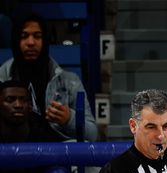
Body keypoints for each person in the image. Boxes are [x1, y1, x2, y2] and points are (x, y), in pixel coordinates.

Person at [0, 13, 97, 142]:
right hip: (10, 151)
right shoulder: (2, 78)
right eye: (24, 36)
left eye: (37, 36)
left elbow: (93, 135)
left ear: (45, 40)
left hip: (57, 152)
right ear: (15, 40)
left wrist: (69, 119)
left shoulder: (69, 81)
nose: (31, 42)